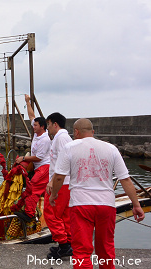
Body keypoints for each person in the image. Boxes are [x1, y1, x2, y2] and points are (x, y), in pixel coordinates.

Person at [50, 118, 145, 269]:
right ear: (92, 132)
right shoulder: (111, 148)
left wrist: (54, 194)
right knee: (106, 249)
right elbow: (125, 179)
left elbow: (59, 177)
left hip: (81, 205)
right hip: (106, 205)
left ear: (76, 132)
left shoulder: (69, 147)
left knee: (81, 251)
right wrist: (136, 204)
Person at [14, 94, 51, 222]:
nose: (33, 127)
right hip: (39, 167)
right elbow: (31, 115)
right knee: (44, 191)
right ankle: (48, 211)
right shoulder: (37, 132)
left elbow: (39, 158)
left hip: (44, 167)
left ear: (42, 127)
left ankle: (29, 213)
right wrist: (27, 102)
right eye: (33, 125)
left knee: (33, 187)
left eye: (35, 126)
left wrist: (23, 158)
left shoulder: (44, 139)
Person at [44, 112, 73, 259]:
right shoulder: (64, 137)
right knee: (64, 215)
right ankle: (67, 243)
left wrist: (52, 181)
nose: (47, 127)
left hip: (60, 183)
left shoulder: (60, 138)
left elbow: (63, 163)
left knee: (51, 213)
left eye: (48, 124)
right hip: (65, 183)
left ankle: (63, 245)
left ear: (55, 124)